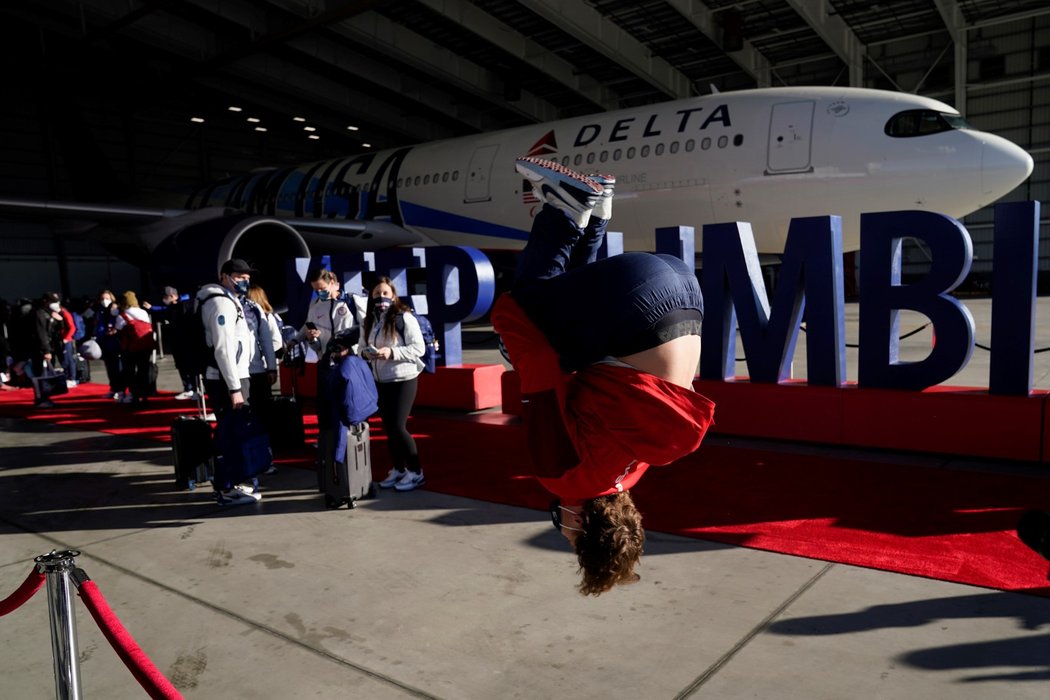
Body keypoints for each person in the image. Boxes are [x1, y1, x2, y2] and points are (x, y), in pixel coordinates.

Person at [491, 156, 716, 596]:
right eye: (568, 536)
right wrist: (509, 322)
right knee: (530, 301)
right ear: (578, 525)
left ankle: (596, 209)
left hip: (684, 294)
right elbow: (539, 373)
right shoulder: (564, 477)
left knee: (560, 307)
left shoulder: (633, 472)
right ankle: (567, 207)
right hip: (635, 304)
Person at [197, 258, 263, 505]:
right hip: (228, 380)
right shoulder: (221, 303)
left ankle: (233, 483)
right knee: (231, 434)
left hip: (232, 376)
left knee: (237, 432)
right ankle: (226, 487)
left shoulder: (228, 299)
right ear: (224, 276)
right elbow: (223, 349)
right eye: (239, 276)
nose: (244, 280)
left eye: (247, 277)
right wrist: (235, 387)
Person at [361, 277, 426, 491]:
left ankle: (416, 472)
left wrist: (392, 352)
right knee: (389, 428)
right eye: (377, 294)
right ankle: (399, 468)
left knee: (399, 427)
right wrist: (366, 354)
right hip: (381, 380)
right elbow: (361, 346)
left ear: (394, 296)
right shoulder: (369, 320)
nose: (381, 298)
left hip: (403, 378)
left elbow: (419, 349)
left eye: (386, 293)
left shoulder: (404, 318)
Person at [144, 286, 197, 399]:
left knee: (188, 366)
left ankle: (192, 388)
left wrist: (153, 308)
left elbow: (164, 310)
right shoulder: (174, 307)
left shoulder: (183, 305)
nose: (164, 300)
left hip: (185, 341)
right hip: (178, 341)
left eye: (165, 297)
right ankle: (189, 388)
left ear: (172, 296)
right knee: (182, 365)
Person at [112, 291, 155, 405]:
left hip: (130, 348)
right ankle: (145, 393)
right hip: (145, 346)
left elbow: (118, 330)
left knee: (129, 371)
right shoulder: (143, 312)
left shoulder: (122, 315)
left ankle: (133, 394)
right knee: (143, 369)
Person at [94, 290, 125, 400]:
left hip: (115, 343)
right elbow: (98, 326)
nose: (104, 301)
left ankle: (121, 389)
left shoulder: (116, 310)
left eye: (107, 298)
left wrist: (115, 330)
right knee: (110, 368)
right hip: (104, 342)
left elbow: (121, 324)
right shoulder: (100, 312)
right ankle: (113, 388)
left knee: (118, 368)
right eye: (102, 298)